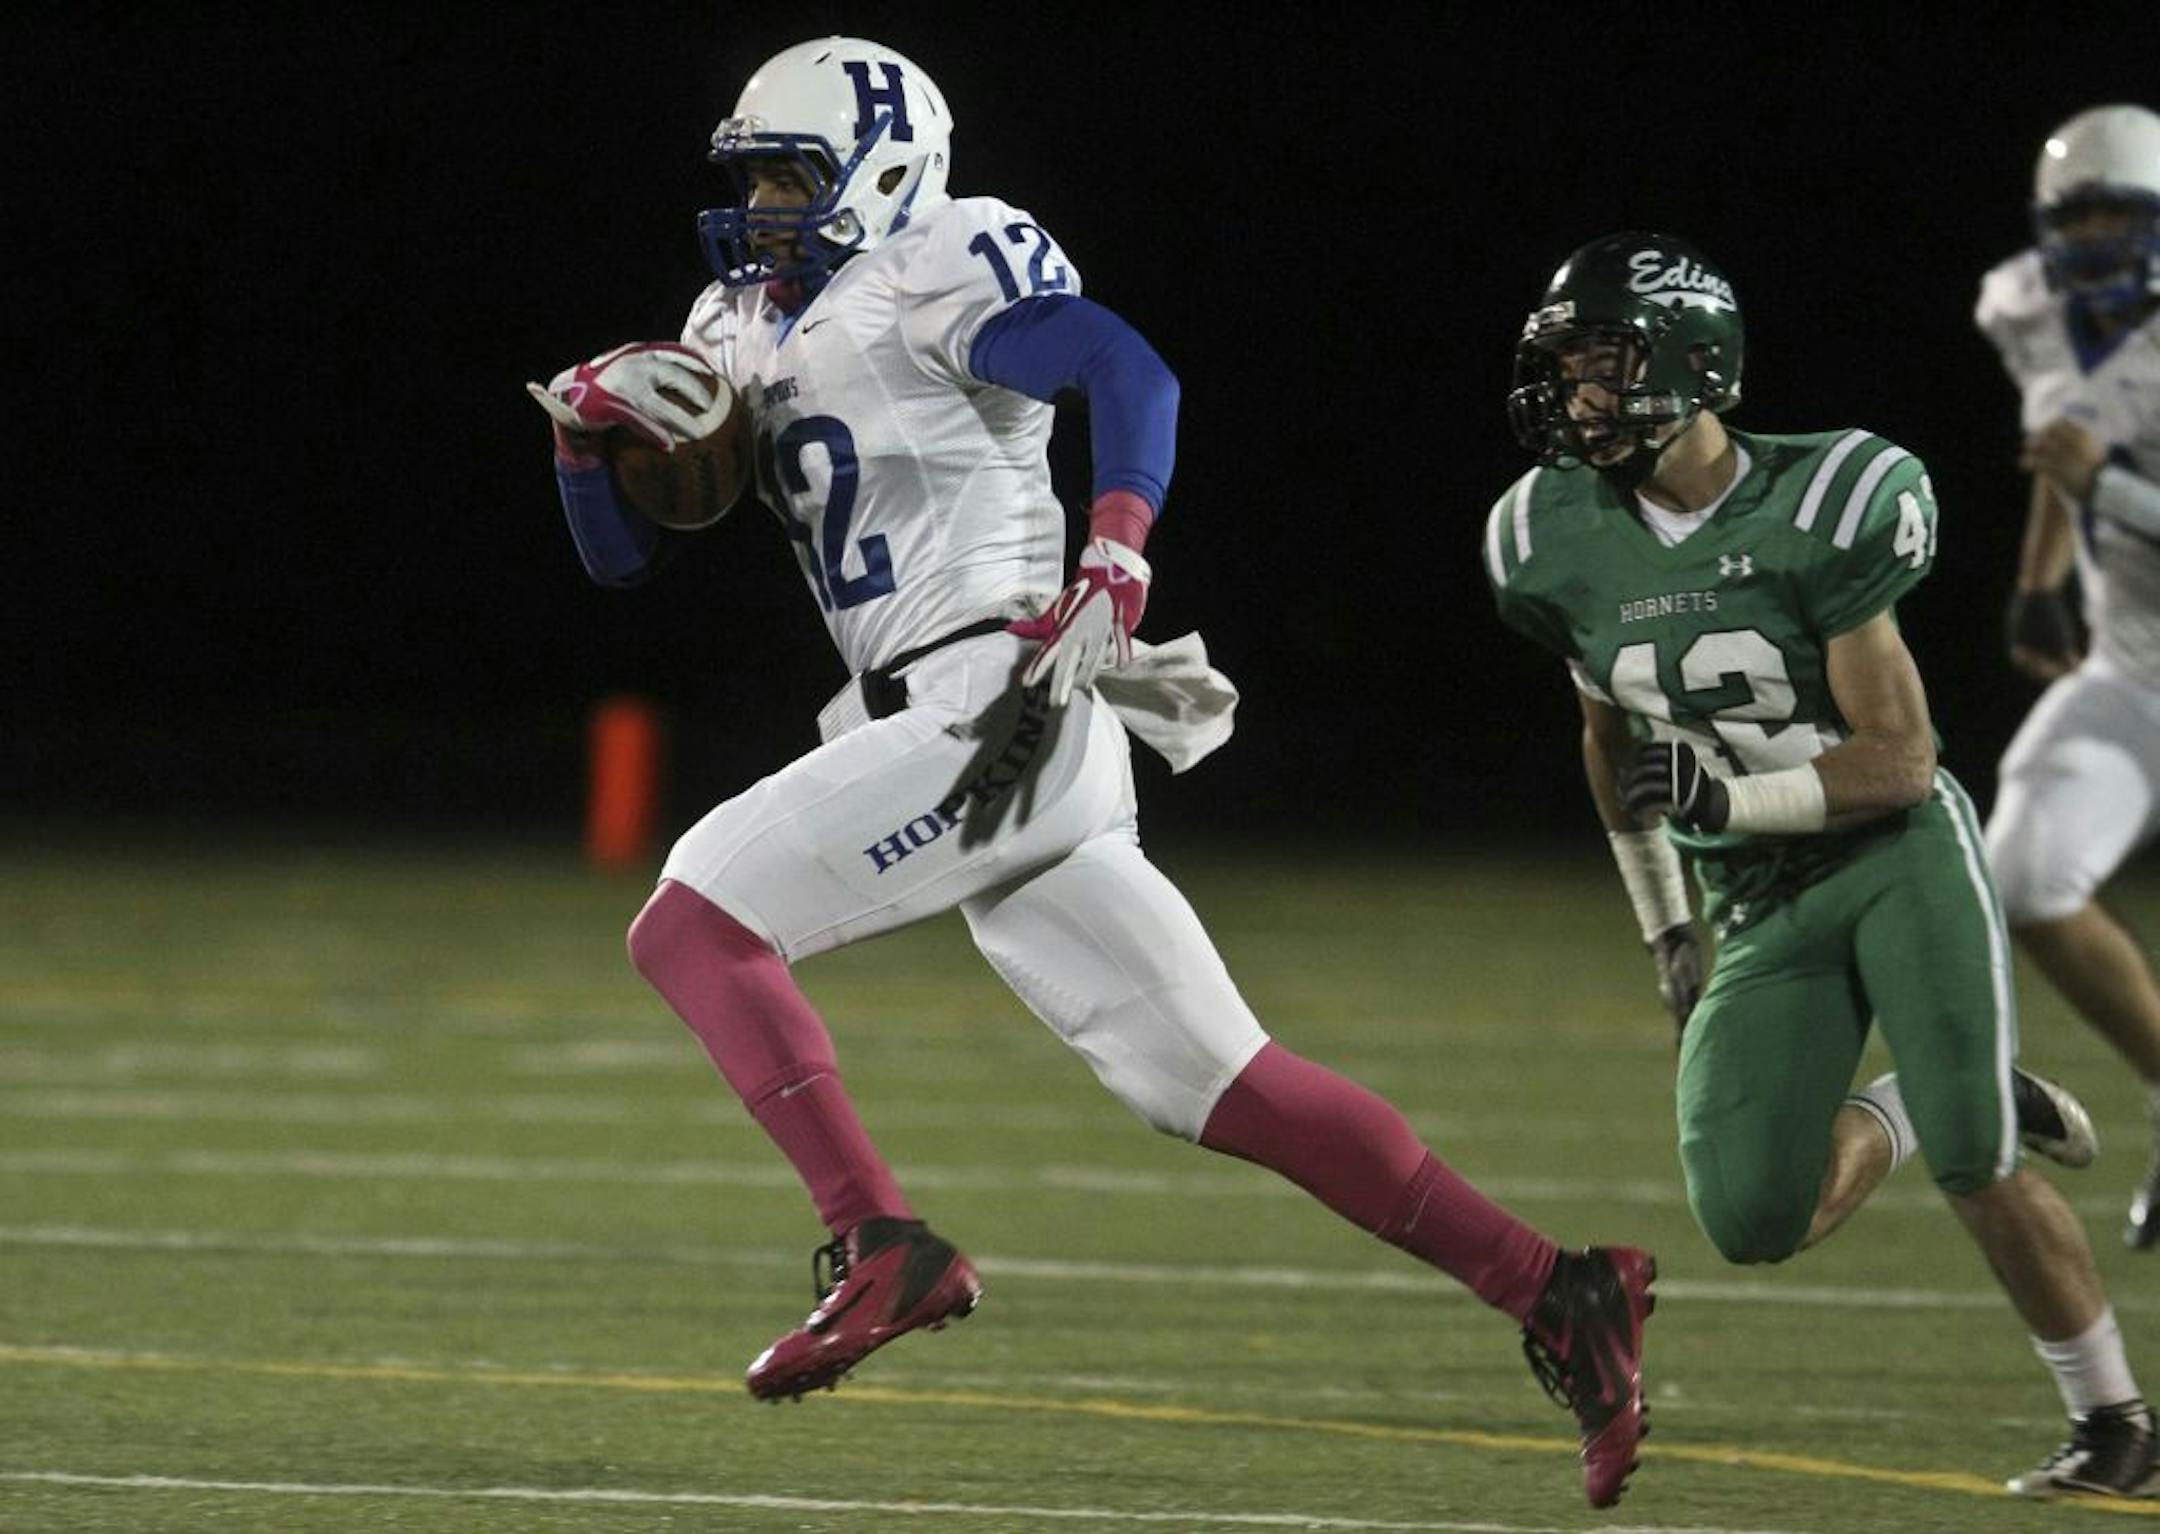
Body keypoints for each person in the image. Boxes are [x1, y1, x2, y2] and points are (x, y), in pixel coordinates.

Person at [528, 37, 1655, 1509]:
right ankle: (1562, 1287)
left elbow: (1126, 365)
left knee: (693, 919)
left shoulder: (939, 262)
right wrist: (584, 438)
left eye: (792, 177)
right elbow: (620, 558)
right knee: (1218, 1080)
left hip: (1006, 688)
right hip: (944, 722)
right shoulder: (736, 320)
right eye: (750, 178)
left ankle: (882, 1239)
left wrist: (1117, 546)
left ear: (885, 172)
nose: (762, 208)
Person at [1485, 230, 2154, 1499]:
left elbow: (1900, 758)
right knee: (1753, 1217)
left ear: (1691, 364)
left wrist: (1729, 795)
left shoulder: (1829, 497)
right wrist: (1666, 922)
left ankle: (2115, 1419)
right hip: (1755, 894)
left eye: (1601, 364)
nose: (1577, 396)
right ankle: (1926, 1096)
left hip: (1893, 852)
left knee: (1975, 1162)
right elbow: (1607, 743)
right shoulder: (1547, 536)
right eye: (1565, 367)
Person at [1976, 103, 2160, 1251]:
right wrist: (2039, 578)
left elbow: (2092, 464)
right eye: (2073, 216)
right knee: (2028, 870)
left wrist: (2110, 494)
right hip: (2136, 670)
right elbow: (2065, 435)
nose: (2091, 238)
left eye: (2117, 213)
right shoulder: (2029, 304)